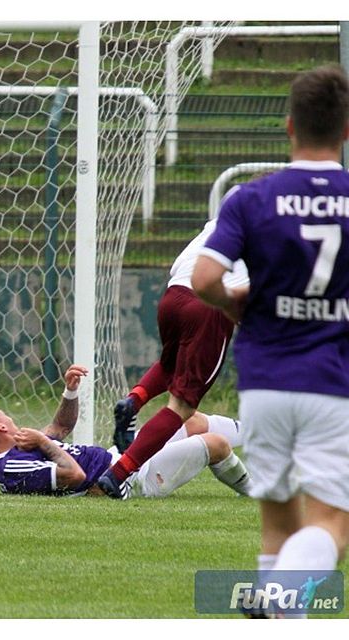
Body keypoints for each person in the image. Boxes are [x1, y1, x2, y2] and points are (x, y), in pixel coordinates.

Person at [192, 65, 349, 586]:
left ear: (288, 127)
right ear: (346, 130)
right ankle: (280, 597)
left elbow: (205, 279)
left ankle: (272, 606)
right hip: (332, 381)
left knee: (277, 524)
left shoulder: (251, 198)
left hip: (263, 382)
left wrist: (236, 303)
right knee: (331, 526)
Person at [96, 219, 249, 499]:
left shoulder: (232, 213)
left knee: (171, 365)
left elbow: (180, 264)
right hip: (208, 306)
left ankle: (134, 400)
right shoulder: (291, 229)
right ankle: (119, 474)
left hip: (173, 294)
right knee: (182, 408)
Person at [0, 364, 251, 499]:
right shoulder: (11, 467)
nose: (11, 418)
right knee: (216, 445)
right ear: (0, 426)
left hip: (121, 459)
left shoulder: (22, 445)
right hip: (125, 484)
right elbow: (76, 476)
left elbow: (61, 427)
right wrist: (45, 444)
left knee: (192, 421)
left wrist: (70, 393)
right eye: (6, 416)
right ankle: (257, 492)